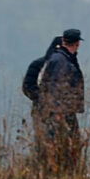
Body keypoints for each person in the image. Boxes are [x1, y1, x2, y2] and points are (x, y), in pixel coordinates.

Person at [39, 28, 85, 173]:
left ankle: (63, 174)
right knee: (66, 146)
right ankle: (63, 175)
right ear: (77, 43)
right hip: (62, 113)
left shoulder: (61, 58)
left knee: (66, 146)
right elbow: (56, 87)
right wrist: (59, 112)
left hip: (62, 111)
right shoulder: (61, 61)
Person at [23, 35, 62, 165]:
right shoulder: (38, 65)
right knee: (43, 143)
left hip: (61, 113)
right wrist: (44, 100)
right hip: (42, 112)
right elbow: (28, 87)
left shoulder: (67, 66)